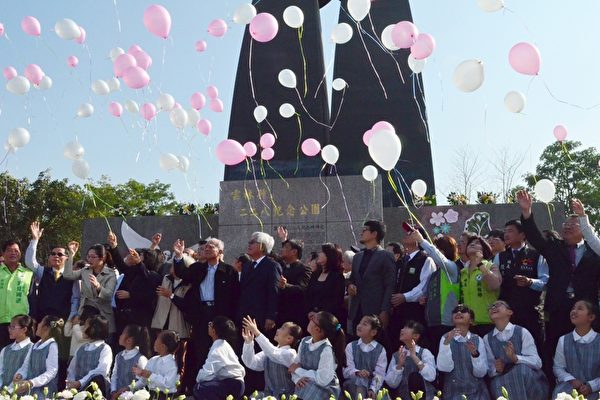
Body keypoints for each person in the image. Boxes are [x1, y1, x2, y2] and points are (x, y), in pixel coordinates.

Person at [517, 190, 600, 375]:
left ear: (585, 228)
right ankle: (556, 384)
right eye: (565, 224)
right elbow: (535, 237)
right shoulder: (555, 246)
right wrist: (527, 212)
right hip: (558, 307)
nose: (567, 227)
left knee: (587, 350)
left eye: (573, 224)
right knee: (555, 348)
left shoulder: (595, 251)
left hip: (587, 308)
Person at [171, 237, 239, 392]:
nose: (207, 249)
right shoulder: (197, 268)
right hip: (201, 315)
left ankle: (221, 386)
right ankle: (199, 387)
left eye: (211, 247)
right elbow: (182, 273)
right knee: (200, 349)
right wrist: (179, 255)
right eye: (205, 247)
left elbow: (235, 297)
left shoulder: (229, 271)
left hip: (220, 315)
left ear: (220, 251)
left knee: (220, 348)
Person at [495, 219, 548, 349]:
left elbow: (545, 281)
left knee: (536, 349)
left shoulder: (536, 255)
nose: (506, 234)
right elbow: (495, 281)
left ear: (522, 235)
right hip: (508, 314)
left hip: (531, 312)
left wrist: (530, 282)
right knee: (510, 350)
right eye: (505, 232)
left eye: (510, 231)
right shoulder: (500, 257)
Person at [484, 300, 548, 400]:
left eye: (498, 305)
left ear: (510, 312)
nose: (493, 308)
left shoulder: (522, 332)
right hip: (502, 379)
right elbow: (489, 368)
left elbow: (537, 362)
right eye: (491, 307)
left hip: (528, 379)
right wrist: (496, 369)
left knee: (520, 371)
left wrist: (516, 358)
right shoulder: (487, 338)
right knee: (496, 382)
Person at [411, 230, 460, 356]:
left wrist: (421, 240)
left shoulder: (452, 268)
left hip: (446, 323)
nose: (431, 253)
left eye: (437, 249)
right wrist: (426, 299)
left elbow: (437, 256)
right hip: (432, 323)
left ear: (444, 251)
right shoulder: (434, 274)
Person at [389, 228, 436, 349]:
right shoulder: (403, 260)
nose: (406, 234)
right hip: (398, 311)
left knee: (414, 346)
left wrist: (405, 297)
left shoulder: (425, 259)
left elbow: (424, 286)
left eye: (411, 233)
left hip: (415, 312)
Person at [25, 222, 80, 324]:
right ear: (49, 257)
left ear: (67, 258)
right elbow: (30, 262)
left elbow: (75, 299)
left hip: (62, 321)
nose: (56, 256)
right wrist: (35, 240)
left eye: (60, 254)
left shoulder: (72, 276)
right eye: (53, 254)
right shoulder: (43, 272)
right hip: (42, 320)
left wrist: (71, 318)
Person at [348, 221, 396, 335]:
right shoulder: (357, 257)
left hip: (375, 311)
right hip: (356, 309)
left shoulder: (386, 256)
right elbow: (352, 278)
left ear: (374, 234)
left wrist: (385, 310)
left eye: (365, 230)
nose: (361, 233)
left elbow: (390, 285)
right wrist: (350, 285)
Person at [63, 241, 117, 341]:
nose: (89, 259)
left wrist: (98, 286)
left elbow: (108, 295)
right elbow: (67, 275)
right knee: (82, 342)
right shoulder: (85, 270)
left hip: (102, 316)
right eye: (88, 256)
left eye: (93, 257)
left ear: (102, 258)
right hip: (85, 314)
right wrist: (71, 255)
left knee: (102, 344)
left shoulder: (111, 274)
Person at [107, 232, 157, 336]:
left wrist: (131, 295)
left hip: (139, 320)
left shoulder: (153, 276)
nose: (135, 257)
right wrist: (114, 246)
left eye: (139, 256)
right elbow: (120, 264)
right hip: (124, 316)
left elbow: (149, 296)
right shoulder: (133, 272)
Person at [436, 305, 490, 400]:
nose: (459, 312)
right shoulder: (445, 338)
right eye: (455, 311)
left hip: (478, 393)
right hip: (453, 393)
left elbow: (481, 373)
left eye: (463, 311)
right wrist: (446, 344)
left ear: (471, 320)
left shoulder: (478, 339)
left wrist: (475, 355)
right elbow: (443, 368)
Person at [289, 311, 345, 399]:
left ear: (317, 329)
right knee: (302, 386)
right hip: (306, 382)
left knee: (307, 388)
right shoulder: (304, 341)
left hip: (324, 388)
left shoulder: (326, 350)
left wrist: (299, 370)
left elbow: (322, 379)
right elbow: (294, 366)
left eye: (313, 319)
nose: (310, 319)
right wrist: (297, 379)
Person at [241, 316, 302, 398]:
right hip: (268, 395)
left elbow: (274, 354)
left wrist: (256, 332)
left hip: (286, 397)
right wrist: (248, 343)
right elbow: (251, 363)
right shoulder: (269, 352)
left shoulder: (290, 353)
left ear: (289, 338)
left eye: (282, 328)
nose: (277, 330)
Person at [553, 300, 600, 399]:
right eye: (573, 308)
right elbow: (558, 367)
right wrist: (571, 380)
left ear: (591, 317)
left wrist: (591, 386)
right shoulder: (563, 340)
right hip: (569, 388)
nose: (574, 311)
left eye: (580, 308)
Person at [237, 232, 282, 333]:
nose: (249, 244)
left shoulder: (272, 266)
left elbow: (274, 292)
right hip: (244, 316)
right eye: (249, 242)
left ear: (262, 246)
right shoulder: (247, 265)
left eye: (253, 242)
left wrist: (271, 316)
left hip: (260, 317)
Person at [194, 316, 246, 400]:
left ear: (214, 331)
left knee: (199, 388)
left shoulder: (217, 349)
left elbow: (205, 374)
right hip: (237, 384)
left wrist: (198, 378)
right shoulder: (224, 344)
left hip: (232, 384)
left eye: (210, 324)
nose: (208, 325)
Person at [459, 236, 501, 337]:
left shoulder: (490, 266)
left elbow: (494, 285)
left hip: (488, 323)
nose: (472, 244)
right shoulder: (462, 272)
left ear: (484, 249)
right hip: (468, 325)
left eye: (477, 243)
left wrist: (480, 264)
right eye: (470, 243)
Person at [385, 320, 436, 400]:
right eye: (403, 327)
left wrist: (415, 357)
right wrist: (399, 365)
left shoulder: (424, 352)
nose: (402, 329)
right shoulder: (396, 355)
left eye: (407, 327)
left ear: (416, 336)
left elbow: (431, 376)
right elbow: (391, 383)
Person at [14, 315, 63, 398]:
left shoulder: (52, 346)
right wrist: (20, 375)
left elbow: (52, 371)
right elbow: (26, 365)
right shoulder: (34, 346)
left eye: (40, 322)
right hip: (30, 391)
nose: (38, 324)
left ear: (46, 328)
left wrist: (32, 382)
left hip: (44, 392)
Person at [66, 315, 113, 396]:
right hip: (77, 392)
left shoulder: (105, 349)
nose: (83, 328)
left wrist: (80, 383)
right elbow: (71, 370)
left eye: (86, 325)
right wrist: (71, 384)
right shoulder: (81, 348)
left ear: (93, 329)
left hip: (96, 393)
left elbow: (101, 371)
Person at [342, 314, 387, 399]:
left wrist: (373, 389)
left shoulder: (380, 350)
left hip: (373, 386)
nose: (359, 326)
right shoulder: (351, 346)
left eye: (364, 324)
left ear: (373, 332)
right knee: (360, 381)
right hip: (353, 384)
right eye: (360, 322)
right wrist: (357, 372)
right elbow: (346, 370)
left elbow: (380, 374)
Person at [0, 240, 35, 348]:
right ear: (3, 253)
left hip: (20, 325)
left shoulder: (28, 274)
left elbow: (33, 299)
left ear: (20, 253)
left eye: (16, 250)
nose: (13, 253)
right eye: (9, 250)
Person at [305, 243, 345, 324]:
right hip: (311, 319)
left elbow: (336, 301)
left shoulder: (337, 277)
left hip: (327, 320)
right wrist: (309, 311)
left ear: (330, 255)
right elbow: (308, 295)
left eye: (322, 252)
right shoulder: (315, 275)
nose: (319, 254)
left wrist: (319, 314)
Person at [132, 330, 180, 397]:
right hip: (151, 395)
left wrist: (149, 375)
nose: (154, 341)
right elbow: (143, 381)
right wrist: (129, 388)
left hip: (166, 396)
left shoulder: (173, 364)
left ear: (163, 346)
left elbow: (167, 384)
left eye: (157, 339)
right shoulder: (153, 360)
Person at [277, 238, 312, 329]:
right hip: (281, 314)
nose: (282, 250)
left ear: (294, 252)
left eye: (286, 247)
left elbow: (303, 289)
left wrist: (286, 286)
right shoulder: (283, 267)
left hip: (295, 315)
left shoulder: (304, 269)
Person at [110, 324, 150, 400]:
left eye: (122, 334)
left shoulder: (140, 358)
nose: (120, 336)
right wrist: (113, 391)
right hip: (117, 395)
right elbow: (114, 375)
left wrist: (128, 388)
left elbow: (143, 381)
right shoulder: (119, 356)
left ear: (129, 340)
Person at [0, 314, 33, 388]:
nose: (9, 329)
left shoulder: (32, 349)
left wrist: (9, 391)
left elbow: (24, 373)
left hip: (22, 392)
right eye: (9, 326)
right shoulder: (5, 349)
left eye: (13, 327)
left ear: (24, 329)